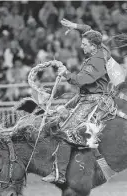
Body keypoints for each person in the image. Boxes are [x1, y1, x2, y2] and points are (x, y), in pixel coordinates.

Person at [41, 18, 112, 184]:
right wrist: (76, 27)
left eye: (85, 44)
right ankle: (101, 168)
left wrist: (65, 73)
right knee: (59, 115)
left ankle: (60, 174)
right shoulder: (103, 49)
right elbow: (89, 29)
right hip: (84, 97)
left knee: (65, 132)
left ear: (93, 46)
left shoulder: (96, 62)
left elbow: (79, 80)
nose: (82, 46)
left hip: (92, 100)